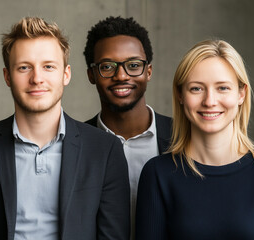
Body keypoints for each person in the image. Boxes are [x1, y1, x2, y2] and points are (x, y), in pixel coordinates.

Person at [0, 17, 130, 240]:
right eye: (24, 67)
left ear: (66, 74)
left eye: (48, 67)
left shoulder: (104, 150)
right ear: (8, 76)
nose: (37, 78)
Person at [136, 39, 254, 239]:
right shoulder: (158, 174)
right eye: (196, 89)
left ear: (241, 94)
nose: (209, 101)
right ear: (180, 95)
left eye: (223, 88)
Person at [83, 16, 172, 238]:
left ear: (148, 71)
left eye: (133, 65)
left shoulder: (184, 136)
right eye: (107, 66)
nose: (121, 76)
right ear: (91, 75)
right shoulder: (74, 144)